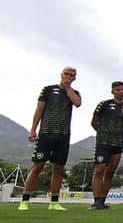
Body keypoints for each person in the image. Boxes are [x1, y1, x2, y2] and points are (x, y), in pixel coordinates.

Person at [18, 66, 82, 211]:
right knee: (37, 166)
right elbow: (39, 109)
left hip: (63, 135)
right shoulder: (47, 90)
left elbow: (77, 103)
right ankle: (25, 200)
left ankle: (54, 202)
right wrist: (33, 129)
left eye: (71, 75)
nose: (68, 77)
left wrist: (68, 88)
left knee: (58, 168)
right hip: (46, 133)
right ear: (61, 74)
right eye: (66, 74)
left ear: (74, 78)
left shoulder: (74, 93)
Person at [89, 81, 123, 210]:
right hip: (103, 142)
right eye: (118, 89)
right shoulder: (104, 104)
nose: (121, 92)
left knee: (110, 172)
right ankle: (96, 200)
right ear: (112, 91)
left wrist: (116, 135)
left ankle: (102, 201)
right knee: (100, 169)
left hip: (117, 144)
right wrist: (103, 133)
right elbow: (94, 122)